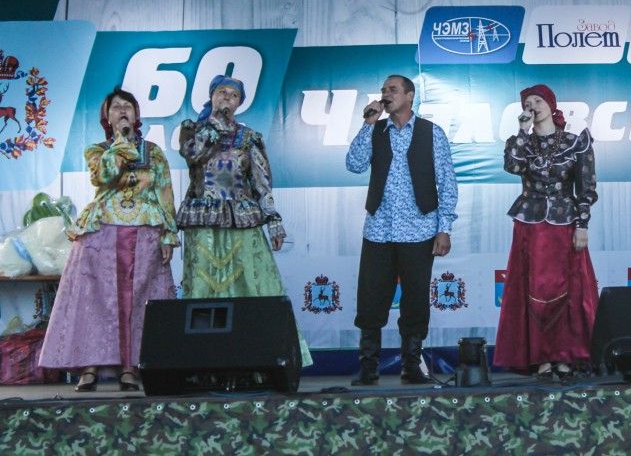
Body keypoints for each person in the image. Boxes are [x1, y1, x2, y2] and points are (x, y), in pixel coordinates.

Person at [39, 89, 178, 391]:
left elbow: (165, 192)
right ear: (107, 117)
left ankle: (131, 367)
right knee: (95, 300)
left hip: (145, 230)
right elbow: (103, 176)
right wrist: (121, 143)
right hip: (101, 230)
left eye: (128, 106)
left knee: (137, 300)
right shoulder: (97, 150)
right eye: (116, 107)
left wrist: (169, 234)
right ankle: (89, 367)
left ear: (137, 115)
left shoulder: (154, 152)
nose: (123, 111)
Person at [176, 76, 312, 364]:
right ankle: (201, 359)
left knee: (253, 284)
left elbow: (261, 182)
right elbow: (193, 156)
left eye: (234, 95)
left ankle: (262, 356)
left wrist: (273, 220)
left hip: (243, 221)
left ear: (240, 103)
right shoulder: (192, 130)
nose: (227, 97)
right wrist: (213, 126)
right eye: (222, 92)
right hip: (203, 223)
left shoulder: (250, 138)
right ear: (211, 96)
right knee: (203, 290)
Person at [345, 74, 458, 385]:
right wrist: (368, 123)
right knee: (371, 297)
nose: (386, 94)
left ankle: (411, 366)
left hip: (419, 229)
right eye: (383, 90)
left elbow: (447, 182)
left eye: (392, 90)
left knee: (416, 299)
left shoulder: (431, 133)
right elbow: (354, 164)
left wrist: (444, 228)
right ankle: (369, 367)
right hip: (378, 229)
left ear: (409, 96)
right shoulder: (375, 130)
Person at [493, 84, 599, 380]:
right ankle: (540, 357)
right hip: (531, 224)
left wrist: (582, 225)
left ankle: (565, 356)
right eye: (527, 102)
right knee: (534, 289)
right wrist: (522, 131)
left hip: (565, 224)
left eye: (538, 101)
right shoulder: (521, 142)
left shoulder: (575, 142)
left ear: (551, 105)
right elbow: (512, 167)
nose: (533, 106)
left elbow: (587, 187)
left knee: (568, 290)